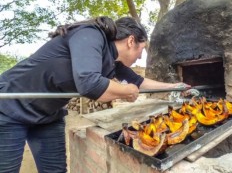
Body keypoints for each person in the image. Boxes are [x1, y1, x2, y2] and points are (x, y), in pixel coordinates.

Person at [0, 16, 190, 173]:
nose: (140, 57)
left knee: (55, 171)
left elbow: (139, 83)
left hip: (48, 114)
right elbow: (89, 83)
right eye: (141, 50)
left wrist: (175, 86)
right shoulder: (90, 35)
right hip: (10, 106)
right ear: (131, 41)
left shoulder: (111, 61)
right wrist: (125, 91)